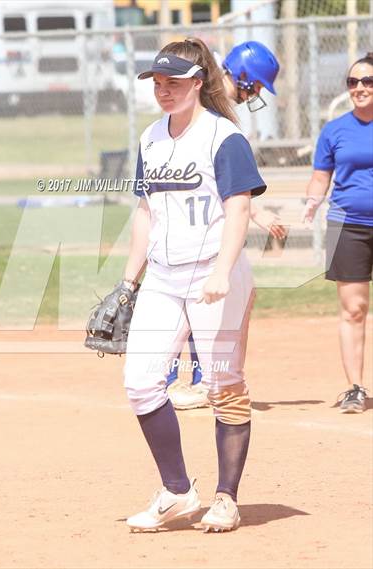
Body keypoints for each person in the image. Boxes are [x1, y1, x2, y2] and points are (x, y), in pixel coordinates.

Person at [122, 37, 267, 532]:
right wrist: (128, 282)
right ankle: (178, 491)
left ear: (199, 83)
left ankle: (226, 498)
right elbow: (145, 212)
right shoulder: (150, 139)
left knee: (224, 385)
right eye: (158, 83)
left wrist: (223, 270)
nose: (164, 91)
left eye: (175, 82)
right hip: (163, 277)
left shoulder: (223, 137)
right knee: (141, 384)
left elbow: (239, 208)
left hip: (214, 274)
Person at [167, 41, 285, 411]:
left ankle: (200, 380)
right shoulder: (214, 114)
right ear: (245, 76)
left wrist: (257, 213)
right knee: (196, 304)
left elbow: (228, 183)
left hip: (202, 221)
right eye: (259, 85)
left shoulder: (217, 112)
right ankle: (177, 381)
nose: (258, 94)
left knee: (206, 303)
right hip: (193, 225)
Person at [302, 52, 373, 414]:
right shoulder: (334, 131)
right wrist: (312, 202)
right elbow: (320, 176)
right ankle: (355, 388)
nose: (359, 88)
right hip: (348, 225)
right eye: (352, 82)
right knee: (354, 310)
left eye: (367, 81)